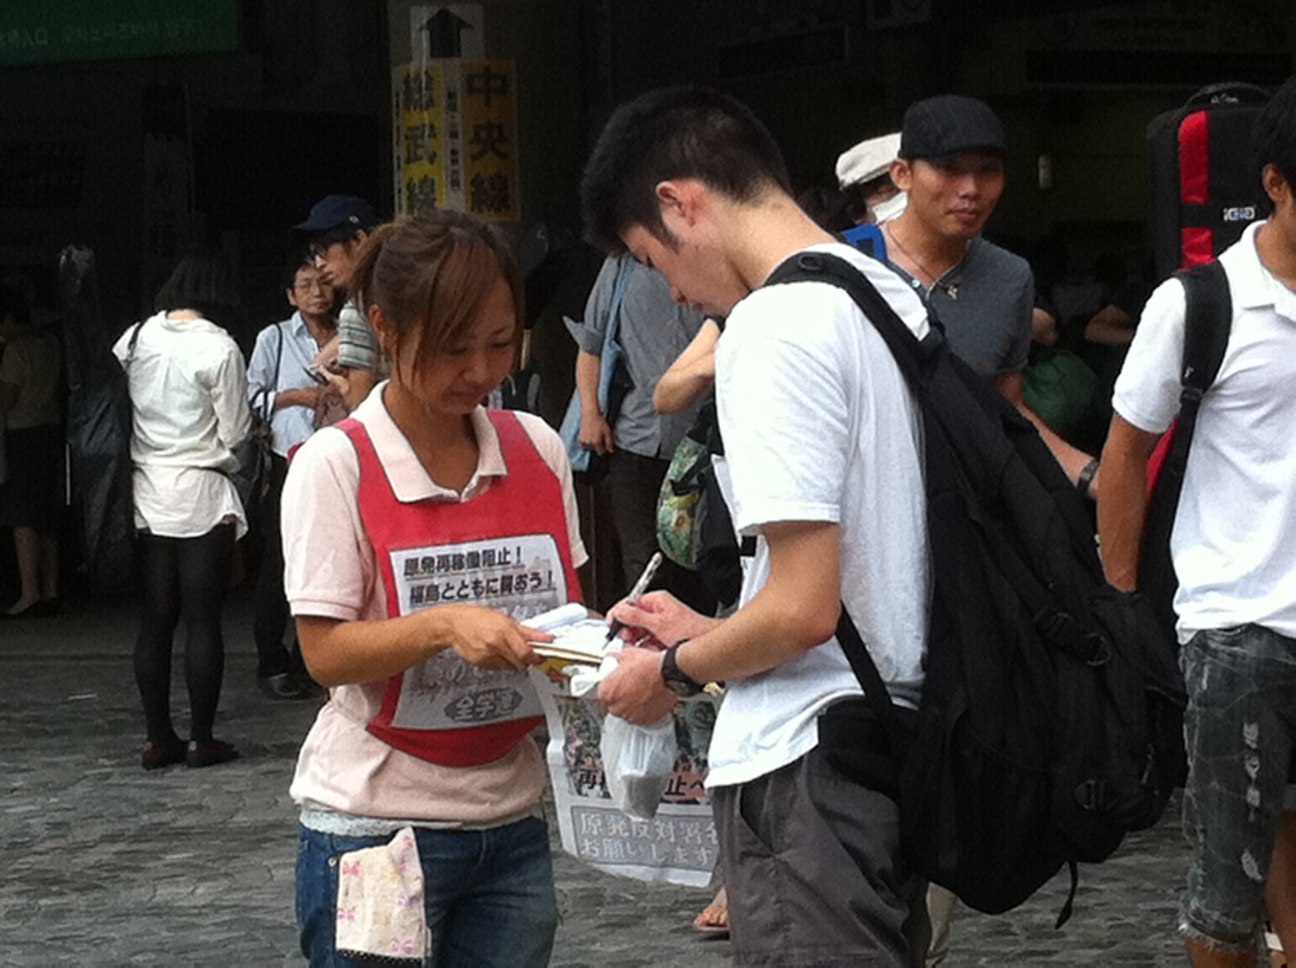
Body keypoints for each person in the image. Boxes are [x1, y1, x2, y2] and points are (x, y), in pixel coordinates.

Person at [583, 86, 932, 965]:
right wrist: (711, 629)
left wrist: (669, 672)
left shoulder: (772, 326)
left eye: (652, 259)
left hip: (808, 763)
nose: (673, 289)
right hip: (892, 736)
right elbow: (863, 568)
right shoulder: (883, 293)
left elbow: (803, 610)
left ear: (679, 203)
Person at [281, 211, 586, 968]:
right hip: (376, 830)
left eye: (499, 343)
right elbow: (324, 653)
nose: (480, 371)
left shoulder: (537, 447)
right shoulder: (335, 464)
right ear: (385, 327)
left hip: (512, 824)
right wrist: (445, 625)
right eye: (453, 347)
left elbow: (565, 612)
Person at [1097, 76, 1296, 968]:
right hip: (1238, 633)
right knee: (1227, 896)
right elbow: (1123, 459)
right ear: (1276, 183)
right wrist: (1123, 612)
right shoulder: (1199, 303)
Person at [881, 95, 1100, 504]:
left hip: (965, 511)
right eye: (949, 169)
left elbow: (1006, 408)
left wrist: (1093, 477)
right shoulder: (848, 265)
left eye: (988, 171)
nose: (971, 190)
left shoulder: (1010, 277)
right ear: (902, 174)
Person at [113, 255, 252, 770]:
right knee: (202, 619)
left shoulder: (135, 338)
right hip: (202, 490)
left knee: (155, 618)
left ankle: (157, 737)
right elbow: (235, 431)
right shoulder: (220, 347)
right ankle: (201, 739)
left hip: (147, 490)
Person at [572, 253, 711, 612]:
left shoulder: (711, 261)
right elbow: (591, 346)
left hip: (700, 447)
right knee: (643, 563)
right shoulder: (622, 264)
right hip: (632, 439)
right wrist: (590, 412)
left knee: (703, 561)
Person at [245, 254, 339, 700]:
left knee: (331, 559)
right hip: (289, 459)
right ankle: (272, 660)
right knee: (280, 561)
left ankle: (311, 661)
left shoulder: (348, 335)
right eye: (305, 285)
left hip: (337, 459)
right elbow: (250, 397)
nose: (316, 293)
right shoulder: (275, 338)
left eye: (323, 283)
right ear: (290, 295)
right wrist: (297, 396)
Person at [0, 284, 62, 618]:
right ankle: (51, 590)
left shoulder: (16, 351)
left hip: (22, 434)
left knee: (23, 517)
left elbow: (6, 400)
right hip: (50, 429)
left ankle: (28, 593)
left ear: (10, 318)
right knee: (47, 515)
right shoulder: (50, 342)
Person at [295, 194, 383, 410]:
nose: (319, 263)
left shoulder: (358, 309)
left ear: (359, 240)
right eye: (314, 254)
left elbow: (360, 407)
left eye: (323, 250)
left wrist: (343, 386)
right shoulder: (405, 289)